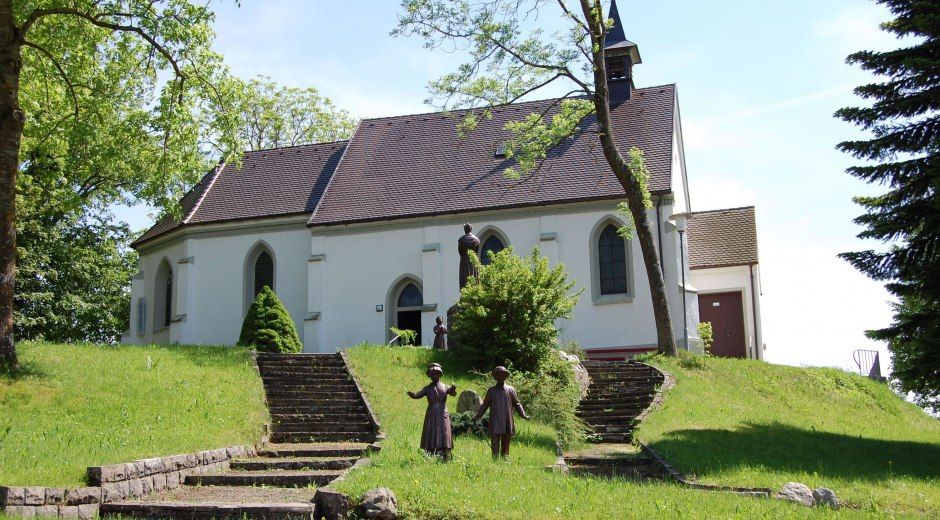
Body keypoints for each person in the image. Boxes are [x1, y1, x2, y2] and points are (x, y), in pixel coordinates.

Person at [473, 365, 530, 458]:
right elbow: (484, 405)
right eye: (498, 375)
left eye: (502, 375)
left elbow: (517, 404)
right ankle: (495, 460)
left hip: (507, 420)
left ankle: (505, 459)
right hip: (495, 420)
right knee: (495, 443)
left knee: (506, 443)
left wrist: (523, 414)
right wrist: (477, 416)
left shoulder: (510, 389)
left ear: (505, 376)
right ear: (495, 377)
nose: (500, 377)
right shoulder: (491, 391)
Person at [406, 362, 458, 459]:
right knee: (431, 429)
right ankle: (431, 451)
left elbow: (453, 393)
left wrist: (453, 390)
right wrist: (413, 395)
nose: (434, 376)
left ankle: (445, 451)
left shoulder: (445, 386)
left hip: (443, 411)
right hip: (432, 412)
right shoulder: (427, 388)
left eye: (436, 373)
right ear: (429, 375)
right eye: (432, 374)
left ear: (440, 374)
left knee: (444, 429)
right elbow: (418, 395)